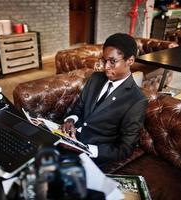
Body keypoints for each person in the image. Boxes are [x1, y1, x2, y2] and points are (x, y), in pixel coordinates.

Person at [61, 33, 148, 164]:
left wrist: (86, 150)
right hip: (68, 138)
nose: (106, 67)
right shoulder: (96, 78)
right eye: (104, 60)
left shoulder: (136, 101)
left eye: (112, 61)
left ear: (130, 60)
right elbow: (79, 107)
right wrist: (71, 120)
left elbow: (125, 148)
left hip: (91, 154)